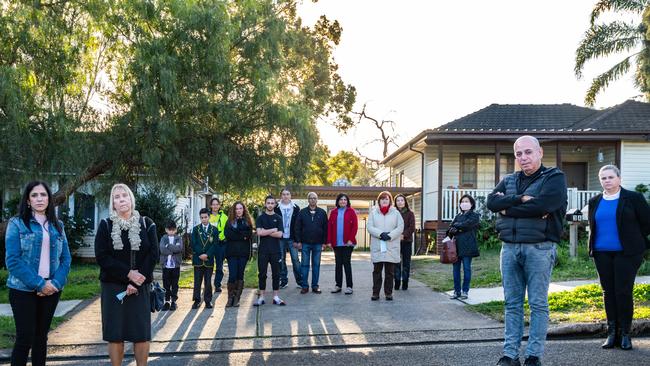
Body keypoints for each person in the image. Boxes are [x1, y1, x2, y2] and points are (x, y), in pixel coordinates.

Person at [487, 135, 567, 366]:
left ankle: (533, 356)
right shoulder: (510, 179)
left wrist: (507, 208)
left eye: (528, 152)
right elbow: (491, 203)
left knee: (538, 304)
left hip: (539, 248)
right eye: (519, 154)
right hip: (509, 248)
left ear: (540, 152)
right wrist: (520, 198)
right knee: (512, 304)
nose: (523, 158)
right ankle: (510, 355)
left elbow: (543, 205)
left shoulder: (554, 177)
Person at [5, 181, 71, 366]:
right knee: (25, 338)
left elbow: (66, 259)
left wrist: (55, 283)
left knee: (41, 339)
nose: (39, 198)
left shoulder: (58, 226)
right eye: (34, 195)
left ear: (49, 199)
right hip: (22, 290)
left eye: (43, 195)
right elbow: (13, 261)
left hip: (52, 290)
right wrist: (40, 284)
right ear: (28, 200)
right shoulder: (17, 224)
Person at [95, 183, 158, 366]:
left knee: (141, 334)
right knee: (116, 334)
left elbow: (153, 254)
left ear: (131, 199)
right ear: (112, 204)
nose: (121, 199)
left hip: (141, 285)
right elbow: (102, 257)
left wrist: (137, 281)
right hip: (113, 286)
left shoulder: (147, 223)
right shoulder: (105, 225)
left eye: (125, 195)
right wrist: (128, 275)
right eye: (117, 197)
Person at [588, 165, 650, 350]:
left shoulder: (633, 198)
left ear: (619, 179)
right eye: (603, 178)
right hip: (601, 253)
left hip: (627, 253)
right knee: (608, 293)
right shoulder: (595, 201)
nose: (607, 181)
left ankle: (625, 334)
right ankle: (611, 333)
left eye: (610, 177)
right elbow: (594, 226)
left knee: (623, 292)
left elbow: (647, 224)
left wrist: (634, 240)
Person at [367, 191, 404, 301]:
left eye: (386, 199)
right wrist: (380, 234)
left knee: (390, 272)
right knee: (377, 271)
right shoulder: (373, 213)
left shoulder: (396, 213)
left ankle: (388, 293)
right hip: (378, 245)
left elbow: (400, 227)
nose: (384, 201)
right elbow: (369, 226)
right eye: (382, 199)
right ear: (379, 201)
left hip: (391, 245)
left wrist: (390, 235)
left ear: (390, 201)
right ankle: (375, 293)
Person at [447, 194, 480, 300]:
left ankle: (465, 291)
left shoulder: (474, 216)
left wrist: (457, 227)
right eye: (462, 201)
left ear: (471, 204)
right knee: (455, 270)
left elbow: (468, 224)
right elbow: (449, 229)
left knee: (466, 269)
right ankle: (456, 291)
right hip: (456, 247)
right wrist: (454, 229)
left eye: (467, 201)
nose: (464, 203)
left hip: (468, 247)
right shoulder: (458, 216)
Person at [255, 195, 286, 306]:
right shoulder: (260, 218)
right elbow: (259, 233)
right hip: (263, 250)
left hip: (275, 250)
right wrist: (273, 230)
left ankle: (276, 297)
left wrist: (266, 231)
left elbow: (280, 234)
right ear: (265, 204)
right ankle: (262, 297)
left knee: (276, 274)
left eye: (272, 203)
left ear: (275, 204)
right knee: (262, 274)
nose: (270, 205)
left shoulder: (278, 218)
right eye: (268, 203)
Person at [294, 192, 328, 294]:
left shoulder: (322, 212)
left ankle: (315, 286)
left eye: (315, 198)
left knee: (316, 265)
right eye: (311, 198)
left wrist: (324, 242)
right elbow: (297, 227)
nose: (313, 200)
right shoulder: (302, 212)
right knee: (304, 265)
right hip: (305, 243)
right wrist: (298, 241)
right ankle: (304, 286)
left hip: (318, 243)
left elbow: (326, 228)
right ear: (308, 200)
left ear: (317, 200)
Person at [224, 201, 254, 307]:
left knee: (240, 275)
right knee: (232, 275)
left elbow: (248, 235)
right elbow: (228, 235)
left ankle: (237, 298)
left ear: (244, 210)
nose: (239, 211)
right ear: (234, 210)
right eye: (236, 209)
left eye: (240, 208)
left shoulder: (248, 222)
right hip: (231, 253)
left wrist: (238, 234)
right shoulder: (229, 222)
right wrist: (242, 236)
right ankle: (230, 298)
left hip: (243, 253)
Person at [327, 193, 358, 295]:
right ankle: (338, 286)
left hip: (347, 243)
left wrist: (350, 239)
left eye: (345, 199)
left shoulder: (351, 211)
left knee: (346, 263)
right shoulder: (333, 212)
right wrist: (329, 241)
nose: (343, 201)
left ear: (347, 201)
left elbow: (355, 227)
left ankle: (349, 286)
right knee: (338, 264)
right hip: (336, 243)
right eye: (341, 199)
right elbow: (330, 228)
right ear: (338, 201)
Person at [274, 188, 302, 289]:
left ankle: (300, 281)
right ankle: (284, 281)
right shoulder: (276, 208)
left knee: (295, 260)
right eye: (284, 194)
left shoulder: (296, 208)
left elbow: (299, 225)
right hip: (280, 238)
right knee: (281, 259)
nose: (286, 196)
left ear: (291, 196)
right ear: (281, 196)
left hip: (292, 238)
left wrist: (298, 240)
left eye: (288, 194)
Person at [191, 208, 218, 309]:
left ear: (209, 217)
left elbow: (215, 245)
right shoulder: (195, 229)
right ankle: (197, 300)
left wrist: (207, 255)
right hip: (198, 259)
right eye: (202, 218)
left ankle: (208, 300)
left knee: (208, 281)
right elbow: (193, 243)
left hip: (208, 259)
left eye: (206, 217)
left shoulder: (214, 230)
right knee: (197, 281)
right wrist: (201, 254)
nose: (204, 219)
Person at [159, 220, 183, 311]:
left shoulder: (178, 238)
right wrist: (173, 250)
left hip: (175, 266)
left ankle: (173, 301)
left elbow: (179, 249)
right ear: (166, 230)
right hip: (166, 266)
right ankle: (167, 301)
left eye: (173, 230)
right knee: (166, 284)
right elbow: (162, 250)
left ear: (176, 230)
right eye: (169, 230)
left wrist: (168, 245)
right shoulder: (163, 238)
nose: (171, 231)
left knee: (174, 284)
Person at [394, 194, 416, 291]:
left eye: (402, 200)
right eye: (398, 200)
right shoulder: (393, 213)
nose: (400, 202)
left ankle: (405, 282)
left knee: (406, 263)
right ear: (395, 202)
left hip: (406, 241)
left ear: (405, 202)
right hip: (395, 241)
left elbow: (412, 227)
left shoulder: (410, 213)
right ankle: (397, 281)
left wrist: (403, 235)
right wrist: (396, 235)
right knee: (396, 262)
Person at [209, 197, 228, 294]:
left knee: (219, 266)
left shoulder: (224, 217)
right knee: (208, 266)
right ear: (211, 205)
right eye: (213, 204)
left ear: (219, 205)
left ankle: (217, 285)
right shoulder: (207, 216)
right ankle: (207, 285)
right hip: (210, 245)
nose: (215, 206)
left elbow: (227, 230)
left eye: (217, 204)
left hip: (221, 244)